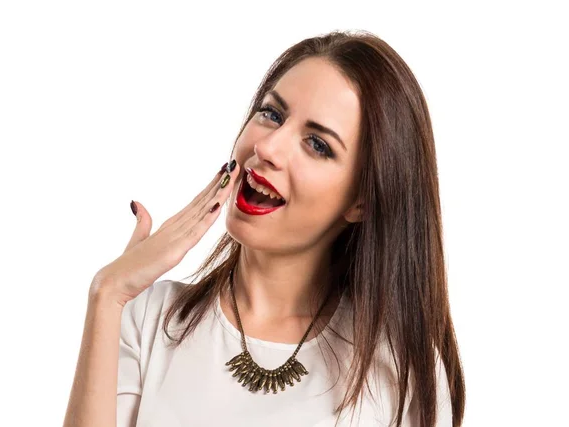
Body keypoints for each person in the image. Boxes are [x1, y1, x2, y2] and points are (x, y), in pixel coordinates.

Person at [63, 30, 465, 427]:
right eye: (271, 114)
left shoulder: (397, 369)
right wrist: (108, 293)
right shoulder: (147, 319)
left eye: (317, 144)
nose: (267, 148)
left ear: (361, 200)